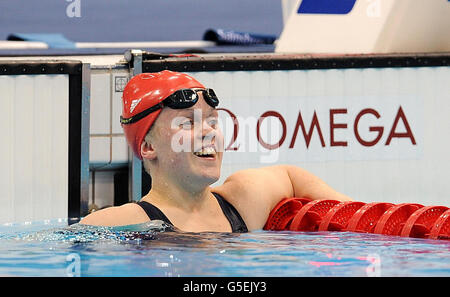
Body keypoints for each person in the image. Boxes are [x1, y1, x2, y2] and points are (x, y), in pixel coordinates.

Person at [80, 70, 352, 232]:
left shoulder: (243, 200)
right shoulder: (120, 222)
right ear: (149, 147)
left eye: (212, 120)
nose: (208, 131)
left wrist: (354, 214)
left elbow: (291, 177)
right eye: (187, 123)